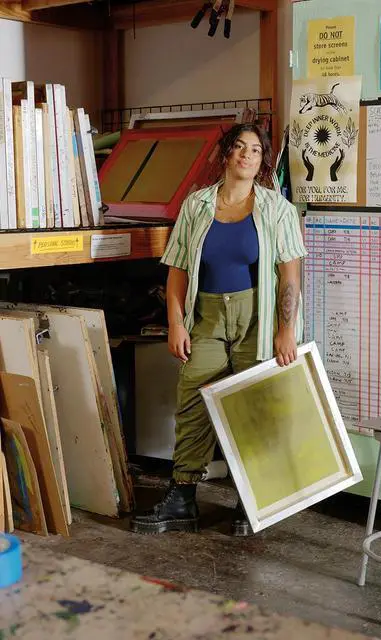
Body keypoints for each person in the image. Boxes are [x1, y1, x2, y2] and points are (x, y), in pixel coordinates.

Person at [130, 123, 307, 536]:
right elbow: (177, 270)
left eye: (256, 151)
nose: (247, 155)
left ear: (262, 162)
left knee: (252, 406)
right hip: (206, 318)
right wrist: (176, 323)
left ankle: (250, 500)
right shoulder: (196, 206)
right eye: (240, 147)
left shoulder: (277, 209)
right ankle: (183, 497)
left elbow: (290, 275)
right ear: (226, 154)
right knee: (193, 402)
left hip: (256, 319)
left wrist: (286, 331)